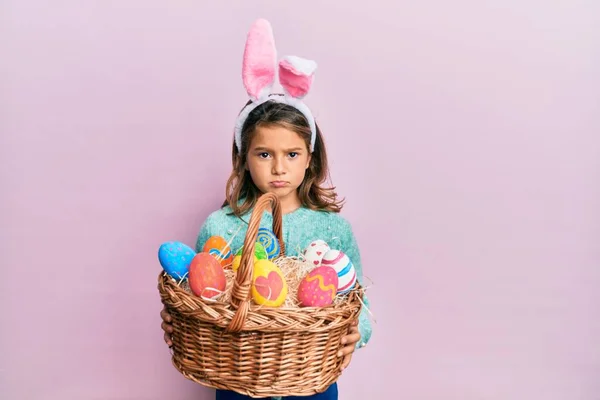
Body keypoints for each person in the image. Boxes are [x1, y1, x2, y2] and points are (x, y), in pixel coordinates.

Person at [160, 18, 372, 400]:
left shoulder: (333, 229)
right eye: (264, 154)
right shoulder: (220, 226)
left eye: (291, 154)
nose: (278, 167)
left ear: (309, 158)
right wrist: (180, 315)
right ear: (243, 159)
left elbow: (357, 298)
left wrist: (360, 330)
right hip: (239, 382)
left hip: (312, 384)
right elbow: (200, 292)